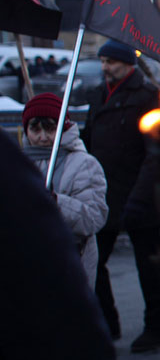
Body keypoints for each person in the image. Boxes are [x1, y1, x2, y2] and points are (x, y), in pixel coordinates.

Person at [0, 130, 126, 360]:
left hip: (73, 260)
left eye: (46, 124)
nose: (39, 133)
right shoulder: (27, 160)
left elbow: (93, 216)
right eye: (33, 125)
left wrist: (55, 201)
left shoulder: (74, 166)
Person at [82, 39, 160, 353]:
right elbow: (89, 140)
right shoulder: (97, 95)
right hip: (104, 193)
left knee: (148, 263)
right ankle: (107, 323)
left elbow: (156, 152)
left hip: (140, 193)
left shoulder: (147, 96)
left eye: (111, 62)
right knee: (94, 260)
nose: (105, 67)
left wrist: (141, 195)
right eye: (103, 61)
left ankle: (156, 325)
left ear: (127, 64)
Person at [21, 93, 109, 290]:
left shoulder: (84, 164)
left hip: (68, 267)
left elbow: (94, 218)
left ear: (63, 127)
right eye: (35, 129)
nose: (43, 137)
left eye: (50, 129)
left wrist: (55, 202)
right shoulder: (18, 163)